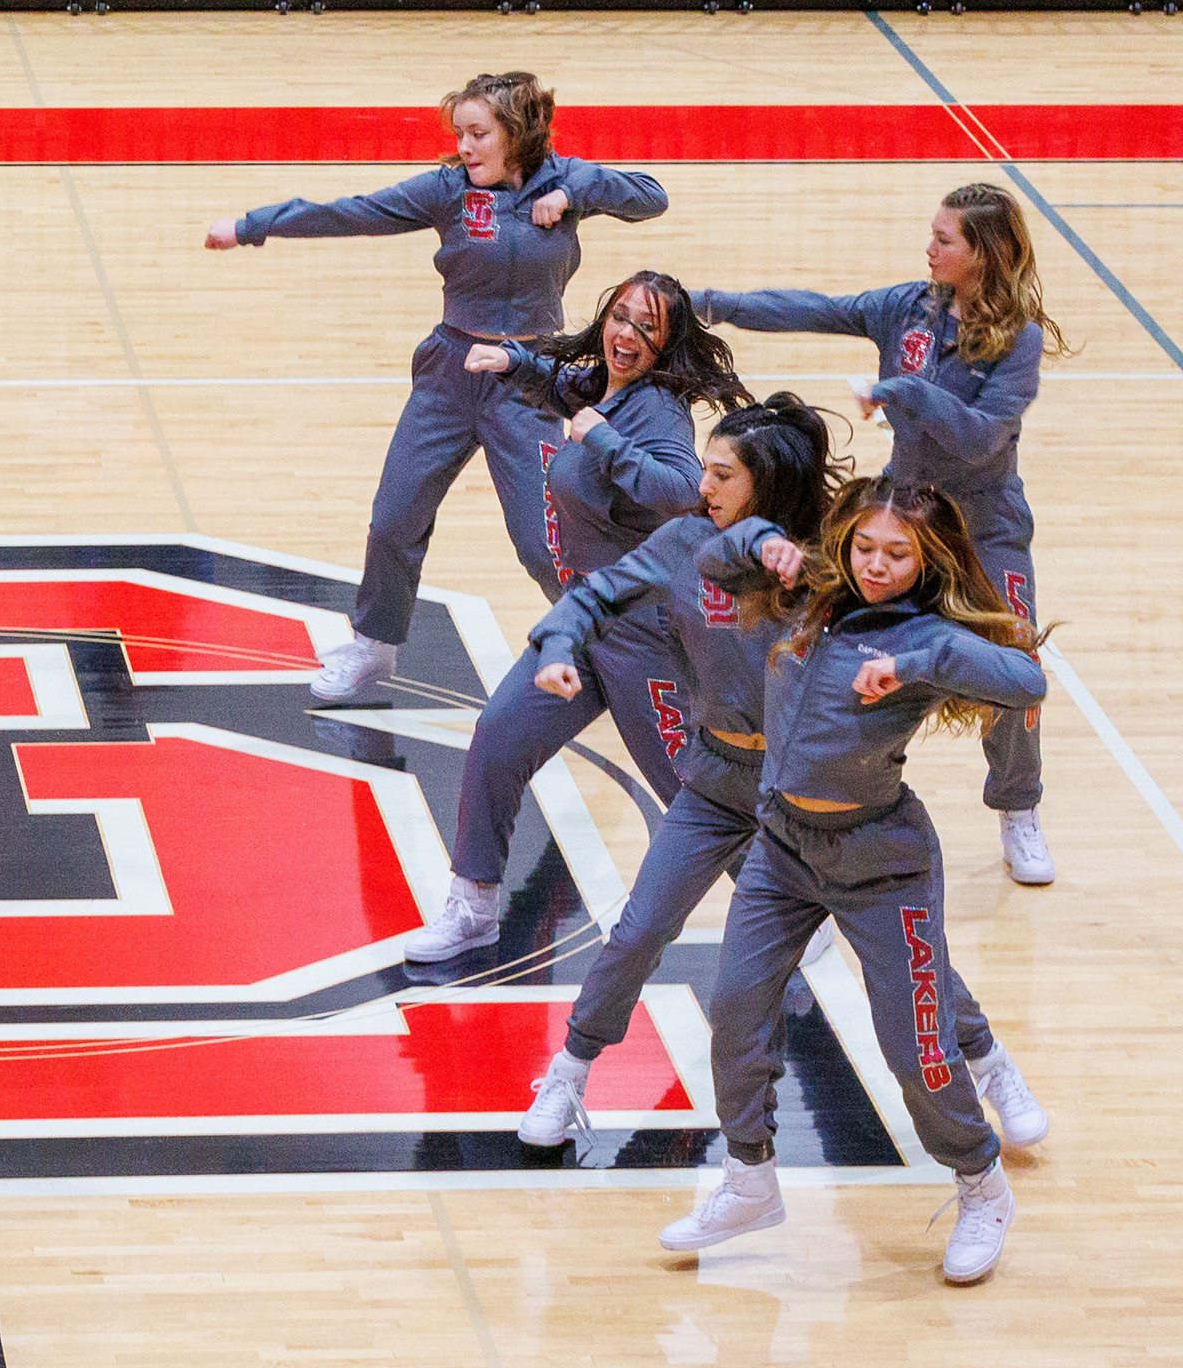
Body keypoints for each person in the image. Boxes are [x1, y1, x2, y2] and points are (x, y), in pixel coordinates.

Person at [514, 396, 1047, 1163]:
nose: (702, 485)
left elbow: (944, 619)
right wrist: (561, 647)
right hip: (714, 781)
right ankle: (569, 1071)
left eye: (721, 473)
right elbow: (591, 597)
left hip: (807, 795)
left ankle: (987, 1059)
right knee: (640, 928)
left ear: (765, 483)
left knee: (892, 951)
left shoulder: (836, 563)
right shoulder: (686, 543)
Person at [657, 475, 1048, 1286]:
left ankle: (981, 1183)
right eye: (865, 546)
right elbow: (713, 559)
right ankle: (750, 1179)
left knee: (913, 1050)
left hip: (880, 861)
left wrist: (915, 663)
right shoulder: (808, 592)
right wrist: (761, 541)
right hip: (781, 850)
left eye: (898, 554)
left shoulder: (926, 635)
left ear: (927, 559)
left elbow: (1027, 681)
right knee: (733, 1011)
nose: (876, 565)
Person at [204, 72, 668, 700]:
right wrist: (252, 225)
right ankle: (374, 647)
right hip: (449, 373)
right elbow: (353, 212)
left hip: (528, 380)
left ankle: (615, 645)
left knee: (543, 542)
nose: (465, 147)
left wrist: (572, 189)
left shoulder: (566, 181)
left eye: (479, 134)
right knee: (394, 518)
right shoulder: (448, 190)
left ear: (517, 133)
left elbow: (652, 197)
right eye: (460, 134)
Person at [693, 183, 1069, 885]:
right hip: (903, 518)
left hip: (983, 525)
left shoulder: (1016, 339)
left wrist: (902, 390)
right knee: (811, 619)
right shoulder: (907, 307)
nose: (929, 248)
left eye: (944, 239)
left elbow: (979, 439)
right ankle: (794, 792)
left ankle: (1018, 805)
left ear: (983, 253)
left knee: (1014, 655)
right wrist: (714, 303)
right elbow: (816, 308)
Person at [403, 271, 747, 964]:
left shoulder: (657, 410)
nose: (626, 334)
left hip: (644, 635)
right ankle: (473, 907)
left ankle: (788, 908)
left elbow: (683, 490)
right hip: (584, 621)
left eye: (646, 327)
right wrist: (515, 361)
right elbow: (567, 386)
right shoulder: (606, 387)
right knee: (499, 737)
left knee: (691, 792)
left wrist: (606, 443)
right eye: (620, 316)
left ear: (667, 344)